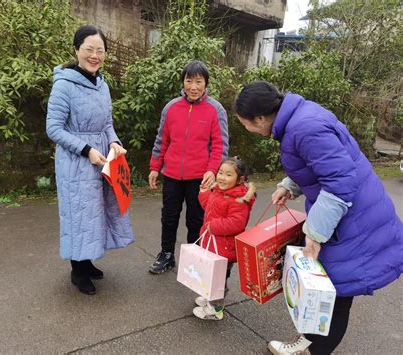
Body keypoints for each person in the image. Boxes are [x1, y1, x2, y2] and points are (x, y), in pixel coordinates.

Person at [233, 81, 402, 355]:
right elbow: (323, 165)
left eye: (246, 124)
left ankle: (314, 350)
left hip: (352, 220)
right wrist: (290, 185)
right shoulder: (301, 117)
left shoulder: (304, 128)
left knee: (334, 293)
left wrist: (315, 234)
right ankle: (309, 341)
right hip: (347, 212)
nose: (247, 129)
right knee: (323, 290)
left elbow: (339, 182)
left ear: (261, 118)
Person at [46, 25, 134, 295]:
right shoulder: (64, 85)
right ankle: (78, 271)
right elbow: (54, 128)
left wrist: (114, 142)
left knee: (96, 212)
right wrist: (86, 149)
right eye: (89, 49)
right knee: (78, 214)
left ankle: (88, 260)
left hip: (103, 159)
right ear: (76, 50)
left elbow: (107, 122)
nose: (95, 55)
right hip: (76, 162)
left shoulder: (102, 84)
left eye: (100, 50)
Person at [148, 60, 229, 274]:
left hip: (200, 177)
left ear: (206, 83)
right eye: (189, 80)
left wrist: (213, 170)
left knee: (196, 219)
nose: (193, 86)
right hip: (172, 174)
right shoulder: (171, 108)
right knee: (169, 216)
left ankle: (194, 257)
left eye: (199, 81)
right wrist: (155, 167)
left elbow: (220, 145)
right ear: (183, 82)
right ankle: (166, 254)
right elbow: (161, 140)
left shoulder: (215, 109)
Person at [193, 157, 256, 320]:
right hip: (212, 243)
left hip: (224, 249)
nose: (222, 177)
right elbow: (208, 206)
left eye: (228, 175)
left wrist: (213, 226)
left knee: (218, 280)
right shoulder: (219, 192)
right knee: (209, 274)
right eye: (220, 172)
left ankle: (215, 309)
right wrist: (204, 192)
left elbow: (236, 223)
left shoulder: (238, 199)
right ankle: (209, 297)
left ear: (240, 180)